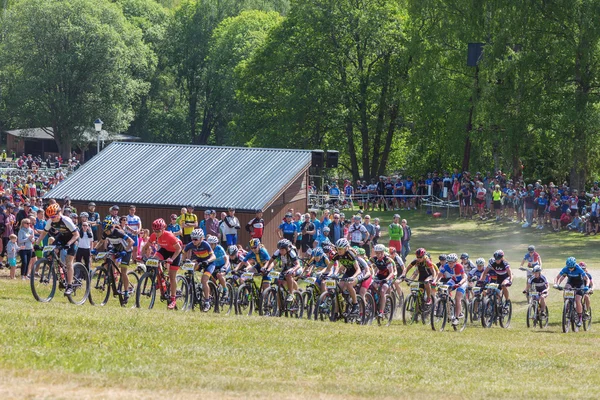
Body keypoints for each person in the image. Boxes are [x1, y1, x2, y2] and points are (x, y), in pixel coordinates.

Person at [35, 203, 80, 296]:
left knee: (68, 261)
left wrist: (68, 244)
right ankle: (61, 277)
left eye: (54, 216)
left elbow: (77, 235)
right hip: (62, 237)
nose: (52, 218)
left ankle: (70, 286)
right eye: (50, 217)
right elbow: (44, 233)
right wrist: (37, 243)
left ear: (59, 213)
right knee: (52, 252)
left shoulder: (66, 220)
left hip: (73, 239)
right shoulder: (50, 221)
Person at [142, 218, 183, 310]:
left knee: (172, 276)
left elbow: (179, 249)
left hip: (175, 252)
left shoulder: (169, 236)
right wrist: (141, 256)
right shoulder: (153, 235)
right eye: (155, 230)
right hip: (164, 250)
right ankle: (159, 280)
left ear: (163, 229)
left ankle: (173, 299)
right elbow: (146, 246)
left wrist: (172, 259)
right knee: (153, 261)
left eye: (158, 231)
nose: (156, 233)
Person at [93, 219, 135, 305]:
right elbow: (101, 241)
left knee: (123, 272)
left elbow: (131, 242)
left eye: (108, 230)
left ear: (112, 228)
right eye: (105, 231)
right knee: (107, 257)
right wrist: (95, 249)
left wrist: (126, 251)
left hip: (126, 250)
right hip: (116, 249)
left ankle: (126, 292)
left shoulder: (118, 232)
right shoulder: (105, 233)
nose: (107, 233)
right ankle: (110, 275)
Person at [183, 229, 216, 311]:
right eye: (192, 239)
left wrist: (207, 261)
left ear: (201, 238)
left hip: (209, 263)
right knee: (189, 271)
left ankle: (207, 301)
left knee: (204, 280)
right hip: (199, 261)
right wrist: (183, 261)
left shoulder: (205, 244)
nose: (193, 241)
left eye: (196, 239)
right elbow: (184, 252)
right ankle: (193, 288)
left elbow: (214, 256)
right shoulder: (190, 245)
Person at [554, 257, 589, 327]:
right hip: (570, 282)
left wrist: (587, 286)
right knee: (566, 290)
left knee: (577, 299)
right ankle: (567, 305)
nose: (570, 269)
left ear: (574, 265)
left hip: (580, 283)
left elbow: (587, 278)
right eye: (569, 268)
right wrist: (556, 284)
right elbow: (557, 277)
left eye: (572, 267)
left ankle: (580, 318)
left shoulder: (579, 268)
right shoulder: (565, 268)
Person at [331, 238, 361, 314]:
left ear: (345, 248)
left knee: (349, 284)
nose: (339, 250)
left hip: (357, 273)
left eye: (340, 249)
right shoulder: (337, 255)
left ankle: (355, 304)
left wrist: (353, 277)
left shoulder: (350, 255)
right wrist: (334, 274)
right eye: (337, 249)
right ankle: (336, 312)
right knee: (338, 290)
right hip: (348, 273)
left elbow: (358, 269)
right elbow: (332, 267)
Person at [435, 253, 466, 326]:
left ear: (456, 262)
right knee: (445, 290)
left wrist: (460, 284)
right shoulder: (446, 266)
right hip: (454, 280)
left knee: (458, 297)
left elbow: (464, 277)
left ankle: (457, 318)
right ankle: (450, 305)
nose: (450, 264)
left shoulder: (459, 266)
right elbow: (439, 275)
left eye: (451, 263)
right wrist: (435, 281)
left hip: (462, 281)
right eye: (448, 263)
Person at [370, 244, 395, 318]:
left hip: (388, 276)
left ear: (383, 252)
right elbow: (367, 265)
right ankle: (375, 303)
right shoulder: (373, 259)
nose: (378, 255)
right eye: (376, 253)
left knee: (383, 291)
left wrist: (387, 279)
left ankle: (381, 311)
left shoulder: (387, 260)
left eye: (380, 253)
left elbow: (391, 272)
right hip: (379, 275)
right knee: (371, 287)